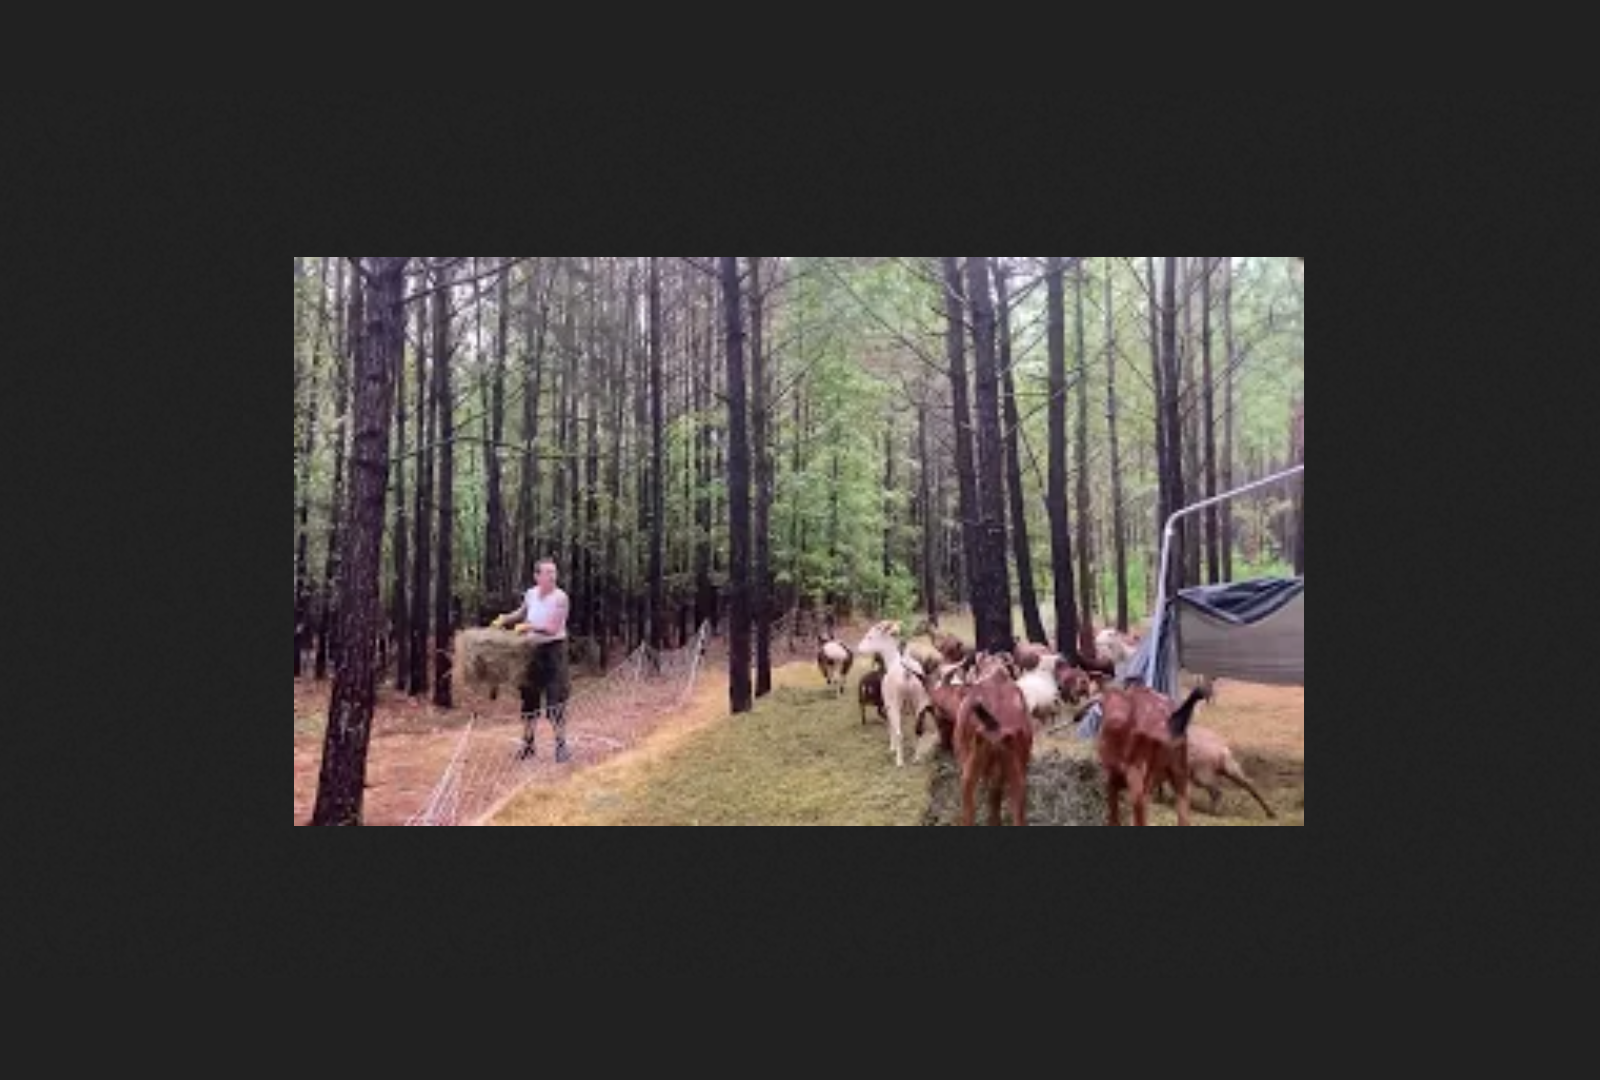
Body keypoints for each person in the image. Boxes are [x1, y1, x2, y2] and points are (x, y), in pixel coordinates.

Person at [492, 559, 573, 763]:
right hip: (530, 651)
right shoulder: (531, 593)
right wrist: (505, 619)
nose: (553, 576)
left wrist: (530, 628)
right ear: (537, 576)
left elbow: (553, 628)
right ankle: (528, 744)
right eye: (548, 573)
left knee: (555, 700)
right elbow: (522, 612)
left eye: (554, 572)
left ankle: (561, 745)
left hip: (553, 652)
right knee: (529, 698)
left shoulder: (560, 598)